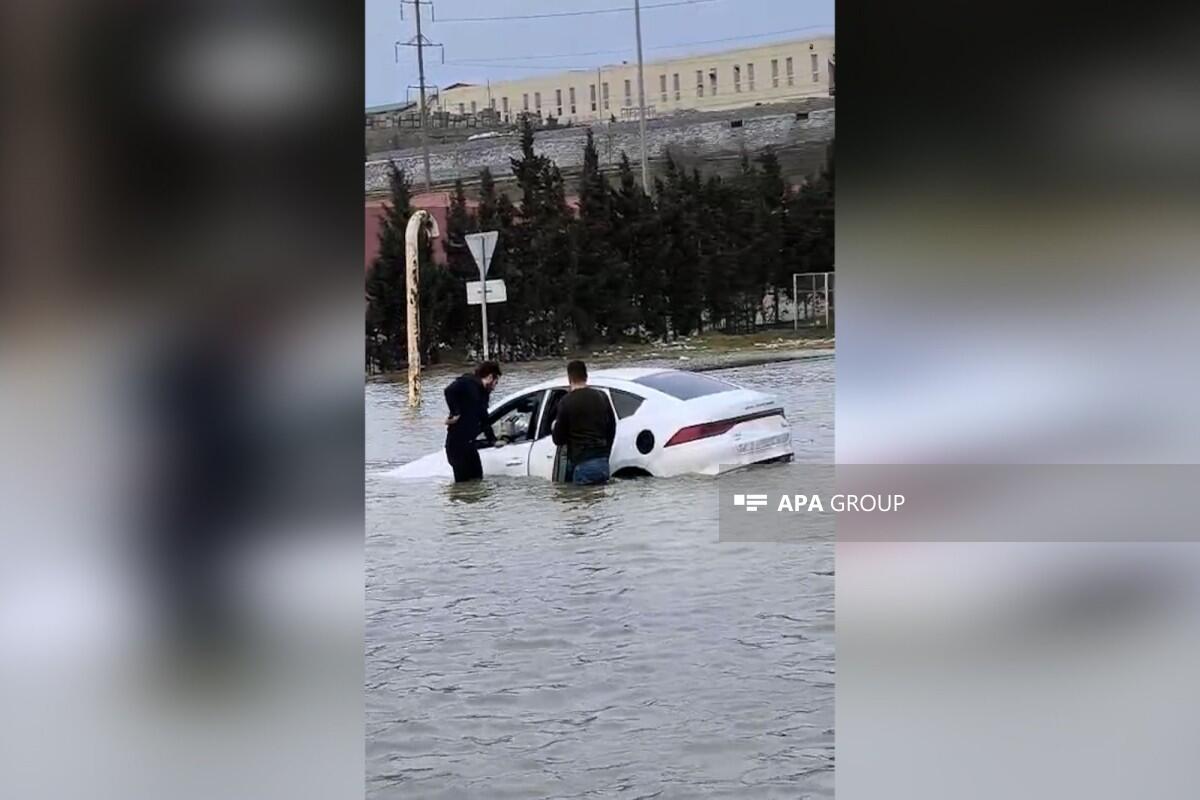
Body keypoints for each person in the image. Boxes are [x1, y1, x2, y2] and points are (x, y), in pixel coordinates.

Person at [551, 360, 616, 485]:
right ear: (586, 376)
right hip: (602, 462)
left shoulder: (566, 402)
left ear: (569, 378)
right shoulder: (602, 396)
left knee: (583, 497)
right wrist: (606, 451)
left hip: (582, 462)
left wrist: (554, 427)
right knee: (600, 496)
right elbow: (612, 427)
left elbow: (558, 439)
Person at [443, 361, 502, 482]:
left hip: (470, 445)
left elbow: (485, 420)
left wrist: (493, 440)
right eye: (495, 382)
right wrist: (455, 412)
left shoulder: (484, 394)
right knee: (463, 484)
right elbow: (448, 391)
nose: (494, 387)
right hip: (456, 445)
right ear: (490, 377)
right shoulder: (467, 382)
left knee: (477, 481)